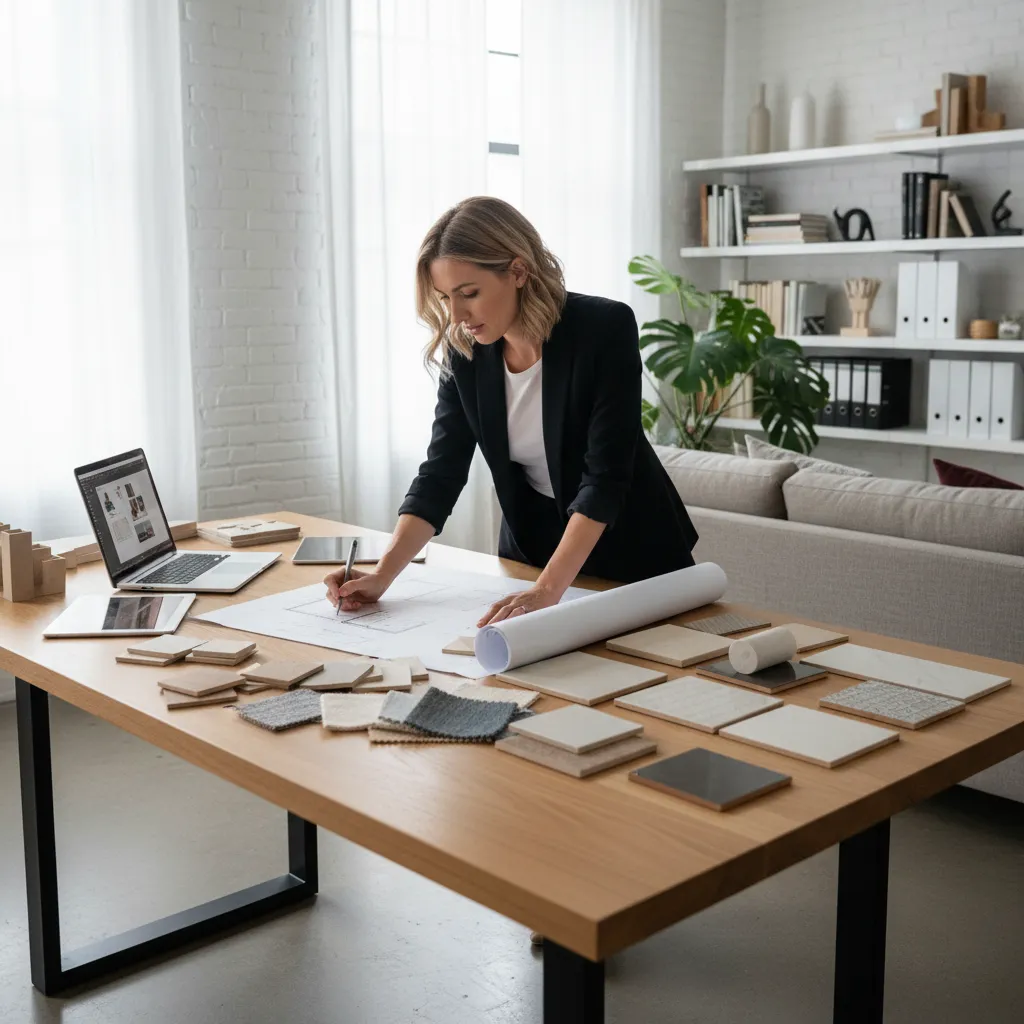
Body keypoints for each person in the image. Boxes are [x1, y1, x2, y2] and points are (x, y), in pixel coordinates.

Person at [325, 195, 698, 628]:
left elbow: (605, 479)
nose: (457, 314)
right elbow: (440, 474)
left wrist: (548, 590)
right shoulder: (465, 352)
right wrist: (381, 576)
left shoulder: (603, 329)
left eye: (469, 294)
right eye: (446, 298)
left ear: (518, 272)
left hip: (634, 553)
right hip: (535, 555)